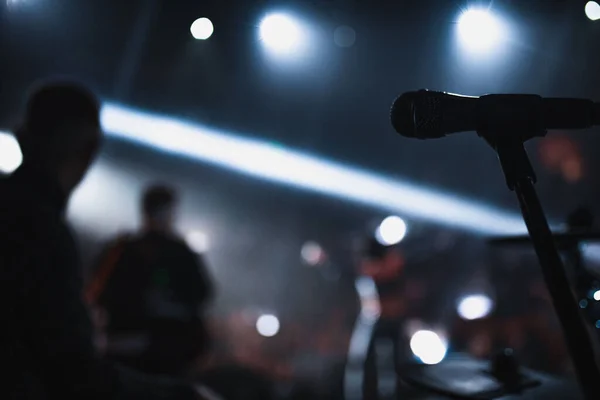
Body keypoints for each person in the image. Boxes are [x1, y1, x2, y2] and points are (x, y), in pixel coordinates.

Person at [0, 79, 216, 399]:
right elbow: (69, 368)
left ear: (22, 136)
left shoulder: (117, 249)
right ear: (90, 151)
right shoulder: (48, 236)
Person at [86, 183, 214, 377]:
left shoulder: (122, 249)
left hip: (142, 348)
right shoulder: (126, 249)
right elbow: (203, 294)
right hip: (150, 351)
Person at [358, 236, 425, 400]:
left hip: (395, 326)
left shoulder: (401, 273)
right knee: (367, 365)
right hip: (374, 323)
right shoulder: (369, 272)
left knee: (396, 366)